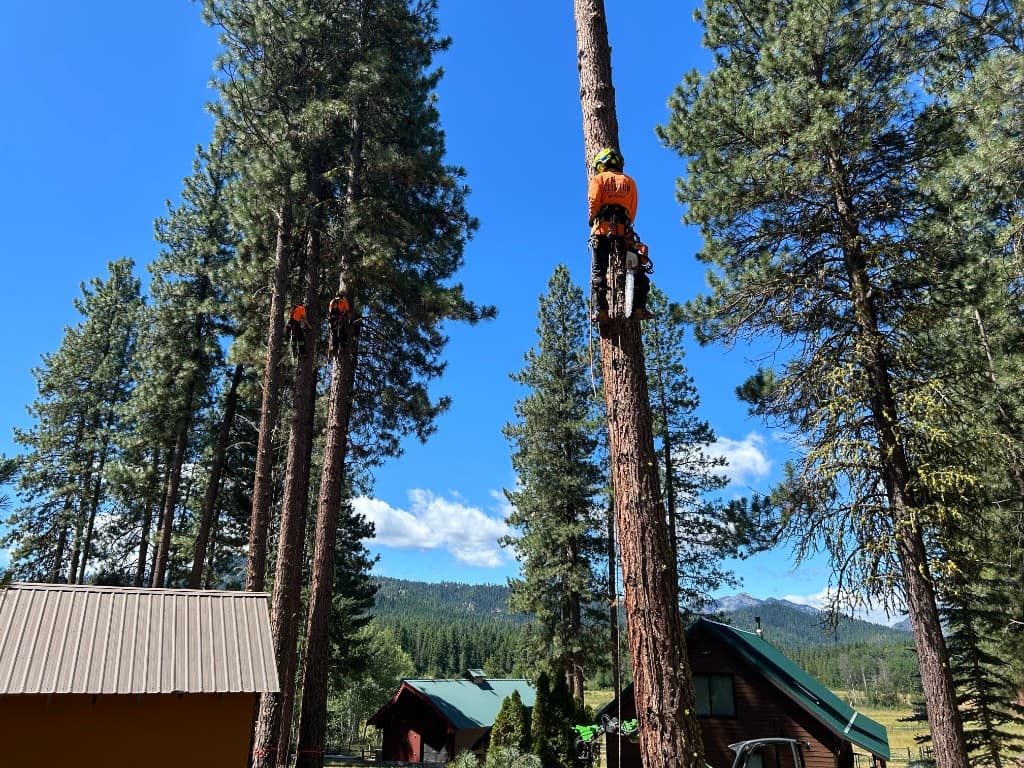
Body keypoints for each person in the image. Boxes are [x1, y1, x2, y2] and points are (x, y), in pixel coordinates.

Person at [587, 147, 652, 321]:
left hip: (601, 231)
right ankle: (638, 307)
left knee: (599, 271)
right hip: (623, 233)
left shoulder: (598, 179)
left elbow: (593, 201)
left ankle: (600, 310)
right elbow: (632, 210)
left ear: (601, 164)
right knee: (636, 270)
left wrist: (592, 217)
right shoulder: (629, 181)